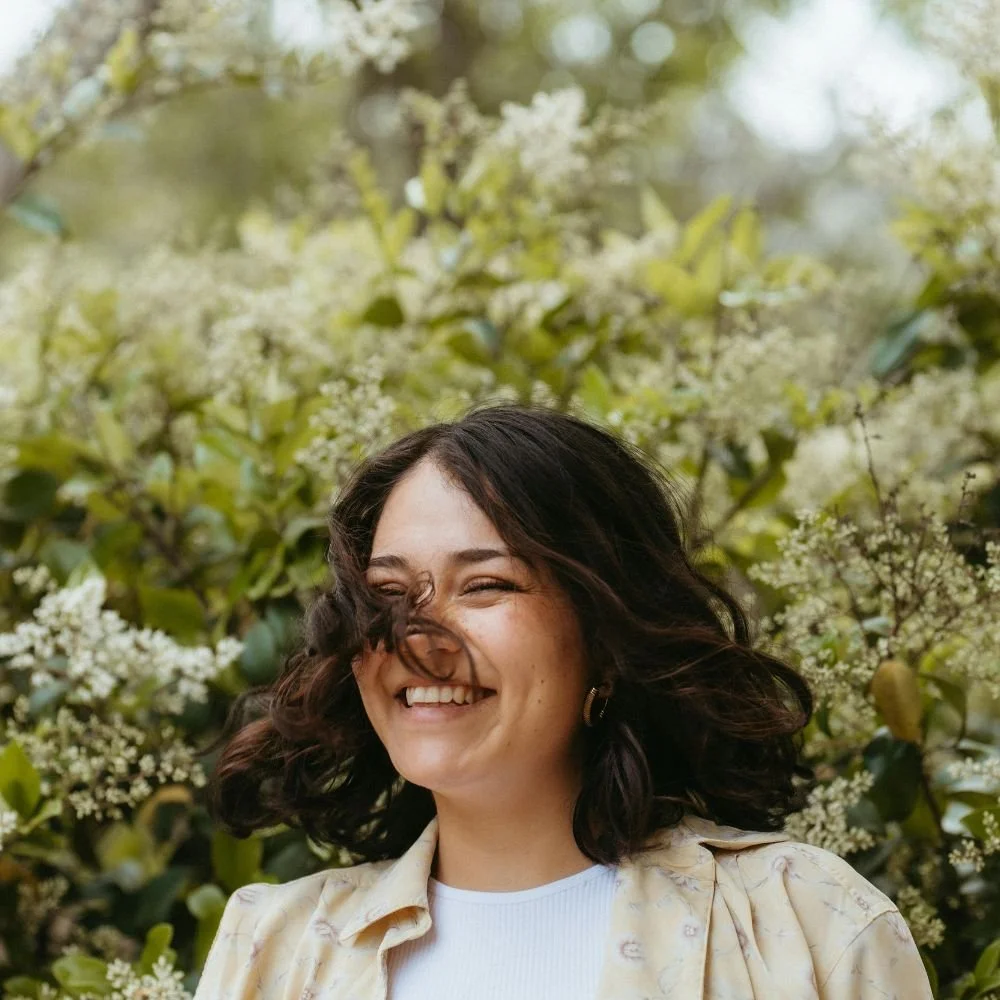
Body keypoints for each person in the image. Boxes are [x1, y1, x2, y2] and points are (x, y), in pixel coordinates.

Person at [193, 401, 934, 1000]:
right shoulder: (273, 948)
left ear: (607, 637)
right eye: (387, 594)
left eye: (485, 585)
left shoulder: (809, 923)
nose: (418, 640)